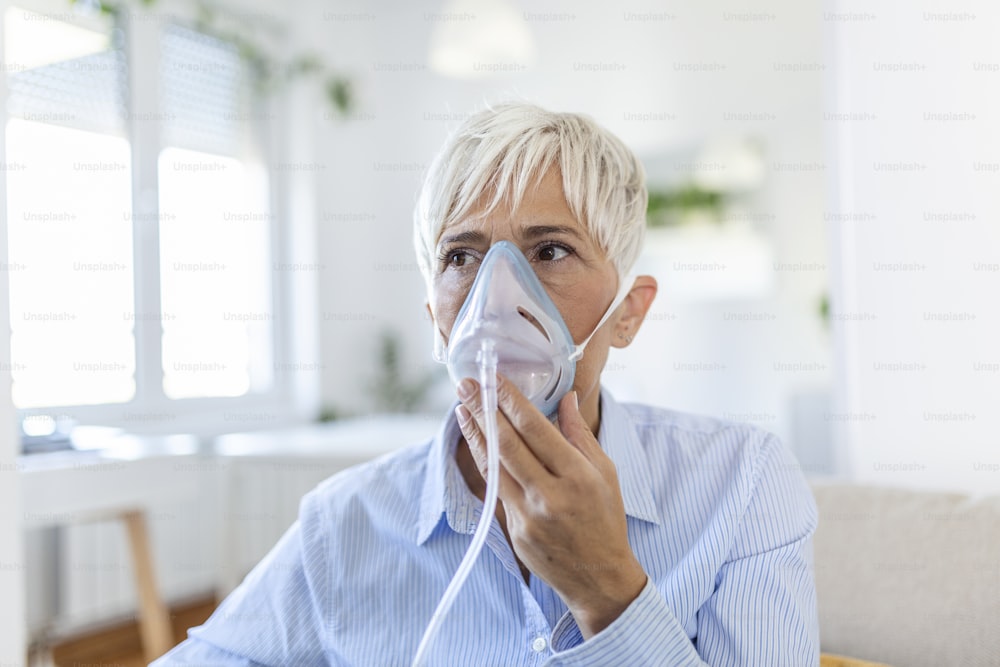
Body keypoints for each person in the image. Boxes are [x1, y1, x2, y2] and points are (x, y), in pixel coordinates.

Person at [153, 102, 819, 666]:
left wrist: (609, 592)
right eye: (462, 256)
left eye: (550, 250)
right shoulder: (345, 523)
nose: (496, 298)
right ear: (435, 320)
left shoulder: (741, 486)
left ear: (629, 313)